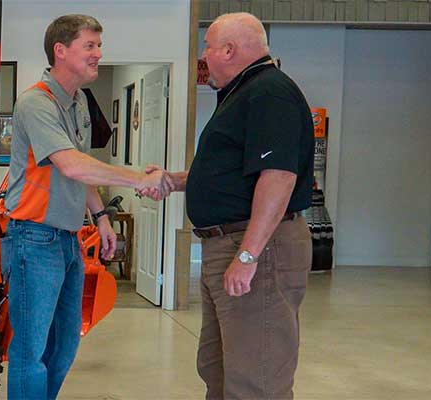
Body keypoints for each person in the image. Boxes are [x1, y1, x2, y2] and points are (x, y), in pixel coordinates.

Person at [143, 12, 315, 400]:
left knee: (257, 377)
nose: (203, 57)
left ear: (228, 49)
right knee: (219, 366)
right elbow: (237, 174)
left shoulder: (269, 92)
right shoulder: (244, 93)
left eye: (206, 47)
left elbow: (279, 177)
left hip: (256, 248)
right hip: (230, 244)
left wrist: (249, 256)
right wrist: (176, 180)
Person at [2, 14, 169, 399]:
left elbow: (82, 168)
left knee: (63, 348)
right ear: (61, 51)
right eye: (89, 46)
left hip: (67, 240)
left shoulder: (77, 103)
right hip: (34, 239)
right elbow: (71, 164)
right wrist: (138, 179)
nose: (98, 54)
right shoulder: (35, 103)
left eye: (98, 45)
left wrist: (102, 217)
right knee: (31, 352)